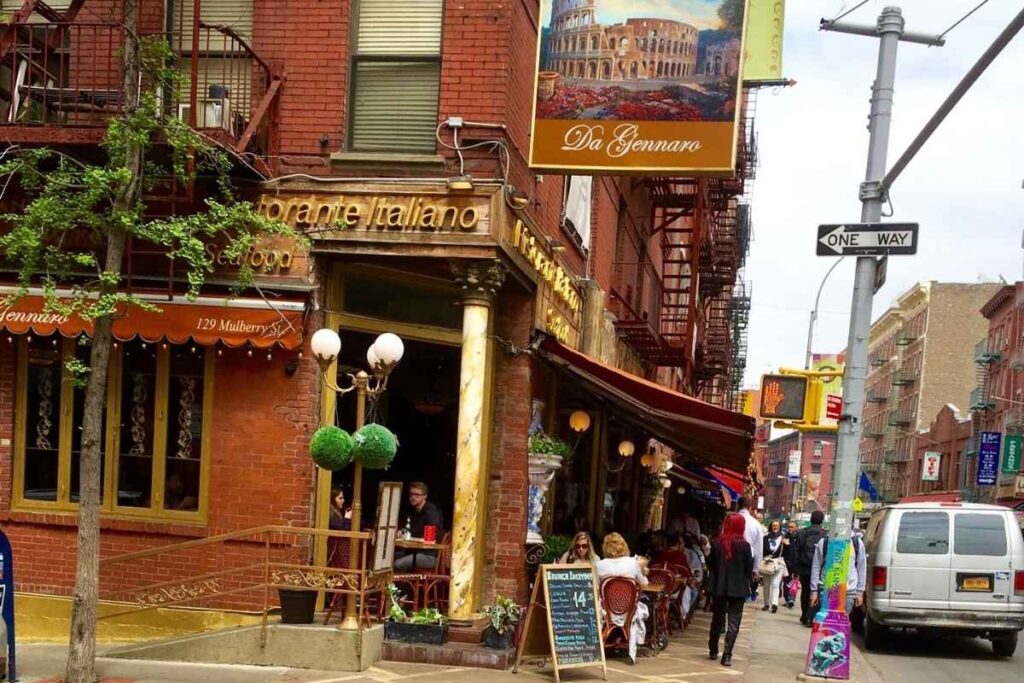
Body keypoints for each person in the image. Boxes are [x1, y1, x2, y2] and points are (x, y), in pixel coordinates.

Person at [707, 513, 754, 667]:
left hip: (719, 588)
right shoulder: (745, 546)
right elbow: (749, 569)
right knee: (734, 622)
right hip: (738, 589)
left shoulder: (717, 543)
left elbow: (710, 565)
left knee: (717, 619)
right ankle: (727, 655)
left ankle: (713, 650)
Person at [596, 532, 648, 662]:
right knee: (646, 605)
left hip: (606, 612)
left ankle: (611, 640)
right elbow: (644, 583)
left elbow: (595, 586)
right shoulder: (633, 563)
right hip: (629, 612)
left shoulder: (600, 565)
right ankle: (627, 643)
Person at [810, 528, 867, 617]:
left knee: (842, 623)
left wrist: (860, 592)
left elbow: (861, 568)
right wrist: (814, 591)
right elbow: (816, 566)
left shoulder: (857, 543)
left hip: (848, 590)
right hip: (826, 589)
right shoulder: (824, 542)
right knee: (826, 623)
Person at [394, 481, 444, 571]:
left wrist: (413, 539)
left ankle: (400, 584)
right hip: (413, 552)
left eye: (417, 495)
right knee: (385, 559)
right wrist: (402, 532)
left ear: (425, 496)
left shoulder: (431, 513)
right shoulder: (413, 512)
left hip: (429, 555)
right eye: (411, 494)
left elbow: (434, 537)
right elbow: (409, 531)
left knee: (398, 564)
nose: (413, 497)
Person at [793, 510, 828, 626]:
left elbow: (796, 552)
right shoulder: (825, 534)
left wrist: (795, 569)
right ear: (822, 520)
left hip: (805, 567)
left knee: (805, 591)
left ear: (811, 519)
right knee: (816, 591)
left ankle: (804, 615)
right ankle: (811, 616)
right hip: (819, 568)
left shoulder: (802, 533)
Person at [737, 496, 764, 602]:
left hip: (729, 555)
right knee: (742, 586)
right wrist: (756, 569)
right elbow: (759, 548)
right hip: (748, 558)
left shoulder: (729, 519)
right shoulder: (755, 524)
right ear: (750, 508)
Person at [760, 520, 787, 613]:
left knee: (776, 584)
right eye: (773, 525)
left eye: (777, 525)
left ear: (780, 527)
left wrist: (788, 545)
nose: (775, 527)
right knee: (766, 585)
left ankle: (774, 604)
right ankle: (766, 604)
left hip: (778, 563)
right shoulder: (765, 538)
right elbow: (762, 550)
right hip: (767, 563)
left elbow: (789, 552)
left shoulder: (783, 538)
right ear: (771, 527)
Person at [327, 485, 352, 567]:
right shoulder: (332, 513)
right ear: (333, 499)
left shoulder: (337, 512)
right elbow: (341, 531)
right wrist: (347, 518)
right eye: (340, 498)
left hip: (339, 549)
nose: (343, 500)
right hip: (336, 549)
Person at [781, 520, 799, 608]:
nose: (790, 529)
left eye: (792, 527)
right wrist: (785, 545)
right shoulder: (785, 536)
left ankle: (791, 599)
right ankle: (787, 598)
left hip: (796, 563)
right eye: (789, 527)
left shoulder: (799, 537)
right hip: (787, 562)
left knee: (794, 582)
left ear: (796, 528)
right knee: (786, 582)